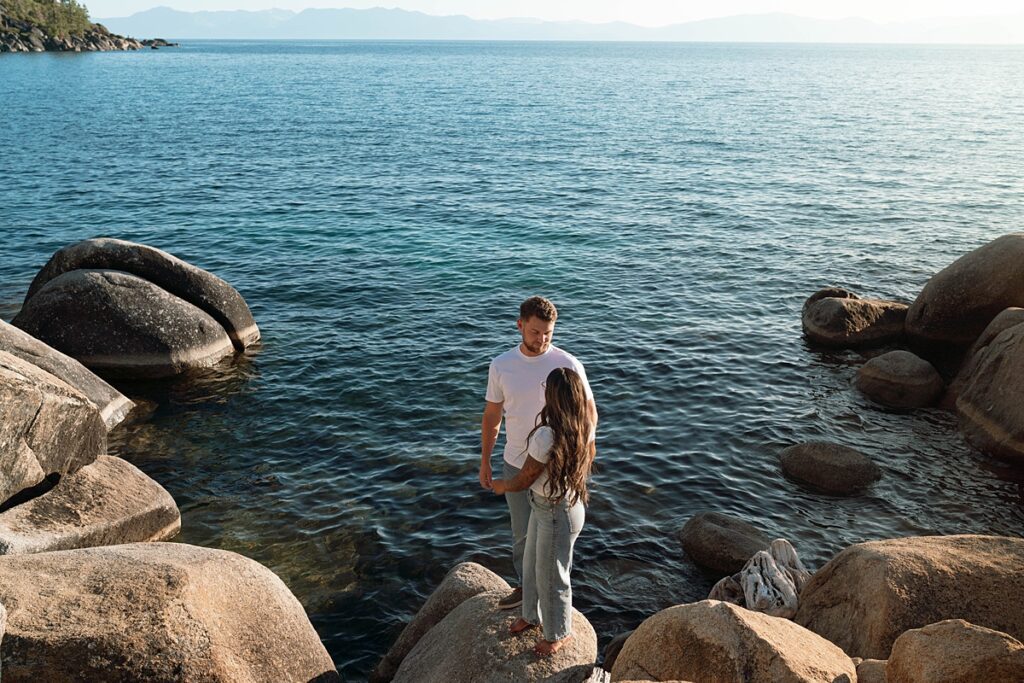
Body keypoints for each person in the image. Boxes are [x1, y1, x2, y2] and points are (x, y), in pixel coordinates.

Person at [481, 296, 596, 612]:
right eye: (534, 332)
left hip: (555, 467)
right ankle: (525, 591)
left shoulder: (568, 364)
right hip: (515, 462)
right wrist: (485, 461)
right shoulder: (502, 365)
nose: (541, 339)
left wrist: (581, 457)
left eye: (548, 333)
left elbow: (589, 413)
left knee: (555, 538)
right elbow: (492, 417)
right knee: (522, 537)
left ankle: (554, 598)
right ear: (520, 325)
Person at [491, 367, 596, 656]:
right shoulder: (582, 425)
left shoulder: (546, 436)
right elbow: (590, 457)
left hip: (555, 511)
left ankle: (558, 634)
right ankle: (530, 614)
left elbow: (525, 477)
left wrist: (503, 486)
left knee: (552, 575)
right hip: (560, 506)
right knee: (532, 564)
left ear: (552, 396)